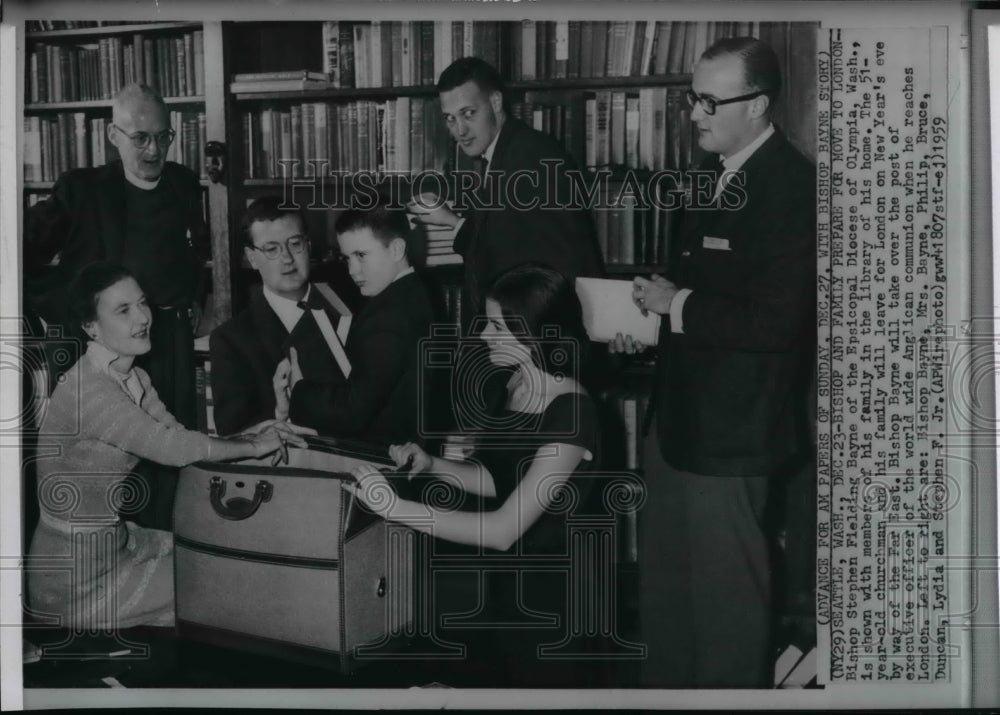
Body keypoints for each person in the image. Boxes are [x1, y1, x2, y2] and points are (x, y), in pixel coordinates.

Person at [623, 37, 816, 688]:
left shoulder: (791, 186)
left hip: (730, 439)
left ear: (758, 105)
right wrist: (651, 324)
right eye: (692, 98)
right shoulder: (714, 176)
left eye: (710, 101)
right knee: (668, 604)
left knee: (728, 612)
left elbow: (777, 322)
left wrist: (678, 305)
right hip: (677, 429)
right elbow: (704, 303)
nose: (695, 113)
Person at [346, 263, 603, 686]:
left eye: (498, 327)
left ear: (535, 332)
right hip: (509, 587)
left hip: (556, 600)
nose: (484, 336)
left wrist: (395, 508)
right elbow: (497, 480)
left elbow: (504, 528)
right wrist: (433, 465)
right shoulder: (517, 385)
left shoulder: (573, 413)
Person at [26, 262, 305, 631]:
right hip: (73, 581)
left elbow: (179, 434)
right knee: (226, 584)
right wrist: (252, 446)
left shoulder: (134, 376)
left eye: (142, 303)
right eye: (123, 311)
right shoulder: (89, 392)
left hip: (118, 545)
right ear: (91, 327)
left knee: (221, 557)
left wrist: (253, 433)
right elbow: (174, 449)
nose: (142, 317)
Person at [24, 83, 210, 530]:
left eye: (163, 137)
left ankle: (167, 547)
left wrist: (197, 302)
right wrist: (69, 311)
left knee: (172, 450)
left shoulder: (184, 182)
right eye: (139, 137)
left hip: (170, 343)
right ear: (113, 135)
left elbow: (194, 253)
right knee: (114, 461)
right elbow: (17, 250)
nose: (153, 150)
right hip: (103, 355)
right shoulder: (81, 190)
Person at [410, 56, 602, 325]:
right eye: (450, 119)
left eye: (468, 113)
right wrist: (451, 220)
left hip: (540, 338)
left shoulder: (532, 156)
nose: (460, 130)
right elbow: (506, 243)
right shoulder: (505, 153)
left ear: (496, 102)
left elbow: (561, 264)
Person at [274, 204, 434, 446]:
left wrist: (299, 389)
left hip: (380, 460)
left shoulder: (388, 316)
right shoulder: (417, 294)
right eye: (346, 258)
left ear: (397, 249)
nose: (352, 270)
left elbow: (353, 414)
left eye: (361, 255)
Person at [209, 196, 351, 436]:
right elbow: (231, 433)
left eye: (295, 244)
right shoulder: (231, 340)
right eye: (272, 249)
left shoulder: (347, 312)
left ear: (308, 244)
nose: (287, 258)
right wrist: (280, 415)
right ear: (252, 258)